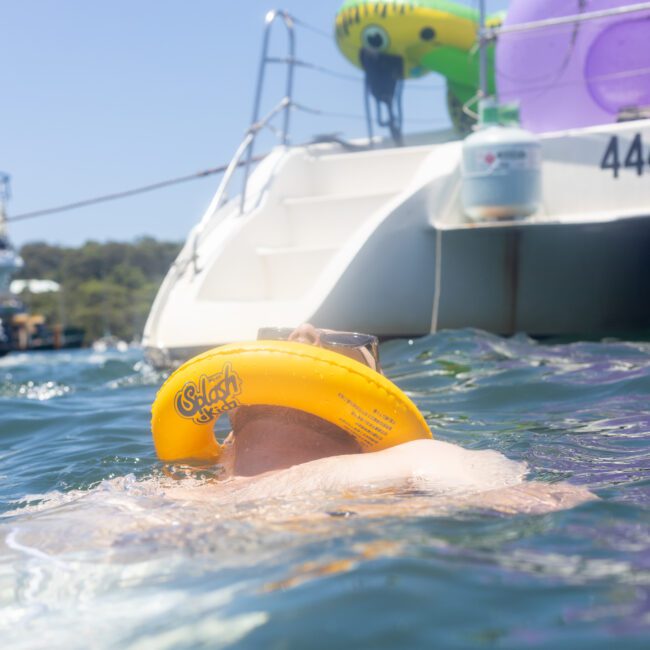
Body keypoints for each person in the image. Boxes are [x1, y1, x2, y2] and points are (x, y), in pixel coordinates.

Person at [189, 324, 595, 515]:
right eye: (276, 337)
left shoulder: (412, 461)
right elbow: (553, 502)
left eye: (343, 341)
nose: (304, 334)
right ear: (227, 431)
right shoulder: (417, 461)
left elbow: (521, 502)